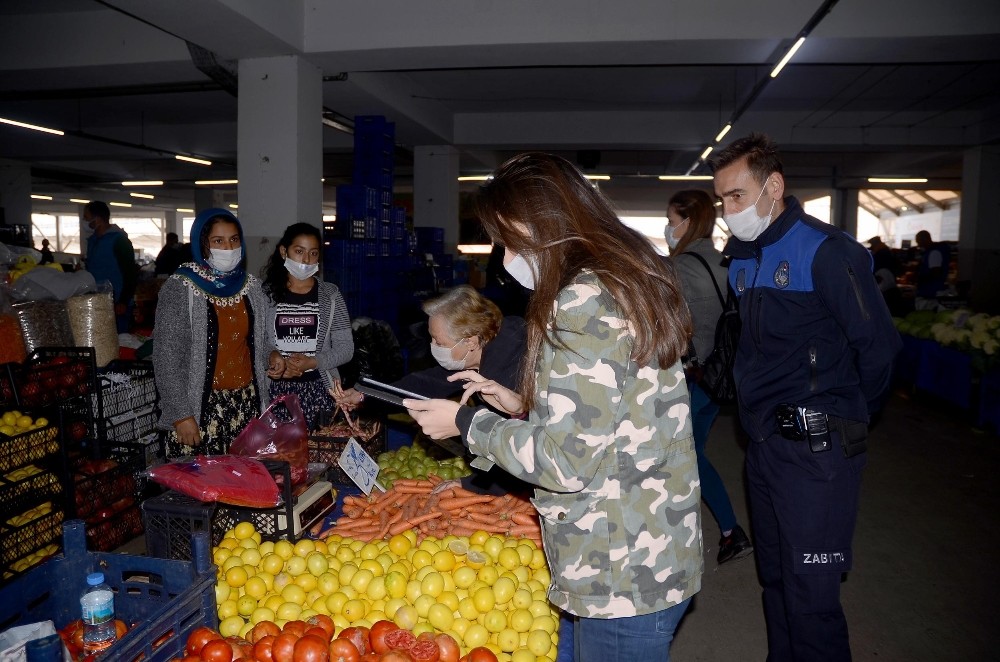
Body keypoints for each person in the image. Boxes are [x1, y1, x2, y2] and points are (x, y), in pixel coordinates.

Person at [403, 152, 702, 661]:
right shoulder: (624, 277)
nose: (503, 256)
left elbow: (565, 461)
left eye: (506, 239)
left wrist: (466, 422)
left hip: (618, 565)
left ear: (538, 224)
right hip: (643, 543)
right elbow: (615, 407)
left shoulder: (583, 299)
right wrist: (525, 405)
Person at [710, 133, 900, 661]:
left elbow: (880, 349)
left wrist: (846, 416)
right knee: (774, 580)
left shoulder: (826, 251)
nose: (728, 211)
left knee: (812, 597)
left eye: (737, 196)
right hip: (764, 446)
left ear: (773, 186)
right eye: (721, 200)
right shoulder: (742, 260)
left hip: (818, 453)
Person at [333, 284, 528, 493]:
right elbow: (426, 383)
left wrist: (472, 485)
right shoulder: (480, 355)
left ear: (470, 342)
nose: (432, 346)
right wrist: (365, 395)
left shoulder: (507, 375)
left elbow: (520, 450)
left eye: (439, 342)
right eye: (431, 338)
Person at [666, 188, 753, 565]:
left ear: (688, 222)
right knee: (693, 454)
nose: (668, 228)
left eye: (671, 222)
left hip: (692, 377)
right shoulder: (727, 262)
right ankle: (728, 533)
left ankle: (726, 532)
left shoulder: (678, 267)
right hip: (720, 378)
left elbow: (669, 328)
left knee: (683, 457)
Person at [152, 208, 273, 457]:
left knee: (243, 477)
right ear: (202, 244)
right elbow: (166, 357)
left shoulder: (251, 288)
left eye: (234, 239)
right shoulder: (180, 288)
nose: (228, 248)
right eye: (218, 241)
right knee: (201, 480)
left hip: (245, 404)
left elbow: (260, 341)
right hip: (199, 409)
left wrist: (272, 355)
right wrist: (181, 415)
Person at [262, 222, 354, 430]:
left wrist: (313, 362)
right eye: (299, 251)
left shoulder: (331, 296)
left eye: (313, 253)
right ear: (284, 251)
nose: (306, 260)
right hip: (275, 393)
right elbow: (256, 343)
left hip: (321, 391)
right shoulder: (265, 295)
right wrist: (273, 359)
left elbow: (346, 348)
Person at [84, 201, 138, 332]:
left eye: (86, 217)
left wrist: (123, 301)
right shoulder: (93, 241)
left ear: (97, 219)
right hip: (97, 300)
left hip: (117, 302)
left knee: (120, 338)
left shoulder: (119, 241)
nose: (85, 221)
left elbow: (130, 272)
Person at [867, 236, 906, 316]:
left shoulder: (881, 255)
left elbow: (879, 276)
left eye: (872, 245)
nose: (871, 247)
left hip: (884, 291)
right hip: (890, 289)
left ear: (876, 244)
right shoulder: (888, 252)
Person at [914, 229, 950, 310]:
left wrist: (921, 279)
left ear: (925, 239)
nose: (918, 244)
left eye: (919, 241)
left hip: (932, 294)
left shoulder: (934, 253)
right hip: (930, 292)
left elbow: (936, 272)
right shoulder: (930, 252)